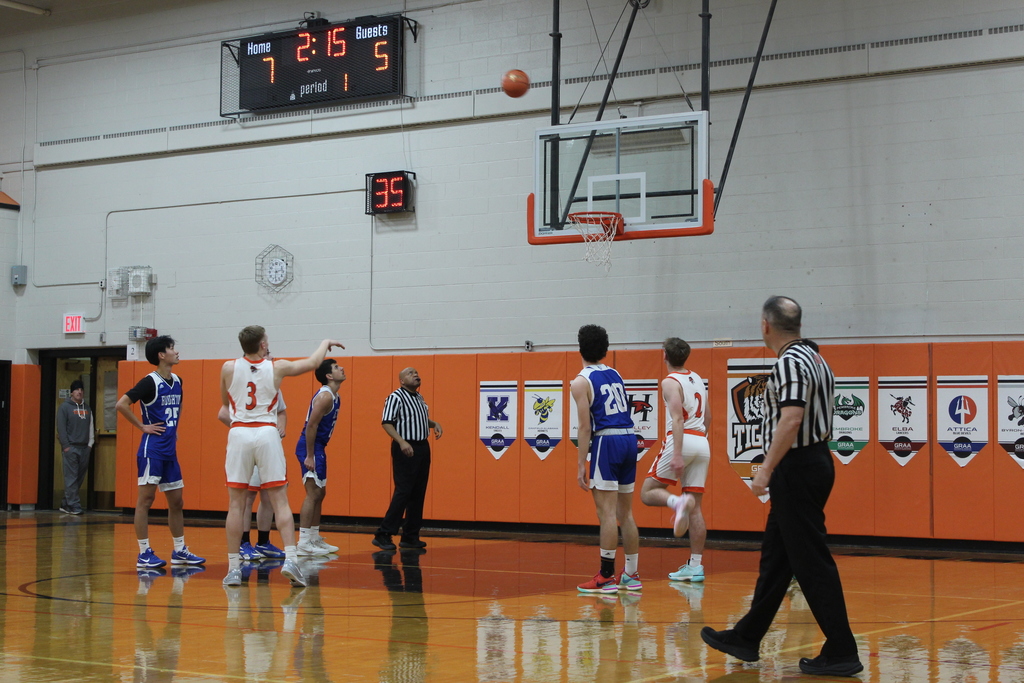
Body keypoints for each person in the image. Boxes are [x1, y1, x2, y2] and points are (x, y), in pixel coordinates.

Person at [701, 296, 862, 677]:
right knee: (777, 559)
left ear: (765, 326)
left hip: (798, 467)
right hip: (814, 461)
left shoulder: (790, 361)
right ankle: (746, 637)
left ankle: (842, 649)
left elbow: (791, 419)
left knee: (811, 563)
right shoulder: (816, 358)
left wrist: (765, 470)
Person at [220, 326, 343, 587]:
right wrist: (325, 341)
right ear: (263, 344)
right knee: (280, 500)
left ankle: (233, 569)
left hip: (239, 431)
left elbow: (226, 406)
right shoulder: (276, 367)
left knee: (236, 504)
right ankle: (291, 561)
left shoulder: (228, 368)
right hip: (266, 431)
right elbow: (313, 363)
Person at [116, 335, 205, 569]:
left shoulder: (177, 380)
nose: (176, 352)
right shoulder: (149, 382)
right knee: (145, 501)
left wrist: (174, 429)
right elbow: (121, 404)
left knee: (177, 502)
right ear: (161, 355)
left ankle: (179, 551)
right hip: (151, 450)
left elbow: (179, 405)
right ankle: (144, 553)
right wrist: (142, 426)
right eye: (172, 348)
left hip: (169, 451)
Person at [570, 324, 641, 593]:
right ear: (606, 349)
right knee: (627, 512)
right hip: (628, 438)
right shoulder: (615, 373)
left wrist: (580, 466)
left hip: (607, 441)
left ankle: (606, 576)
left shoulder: (580, 381)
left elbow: (585, 427)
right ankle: (631, 575)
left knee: (607, 513)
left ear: (580, 348)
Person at [639, 337, 708, 582]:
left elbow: (677, 418)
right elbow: (708, 416)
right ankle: (696, 566)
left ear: (664, 355)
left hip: (683, 438)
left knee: (647, 493)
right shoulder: (698, 379)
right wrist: (701, 442)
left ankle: (677, 503)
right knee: (697, 507)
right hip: (702, 440)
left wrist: (678, 452)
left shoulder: (669, 381)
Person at [373, 368, 442, 551]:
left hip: (422, 447)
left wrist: (433, 424)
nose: (416, 374)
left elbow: (420, 419)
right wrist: (401, 442)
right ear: (402, 380)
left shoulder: (419, 398)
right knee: (403, 491)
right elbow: (386, 422)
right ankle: (383, 534)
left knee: (418, 492)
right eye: (411, 373)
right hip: (405, 446)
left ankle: (410, 536)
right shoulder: (395, 397)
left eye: (417, 372)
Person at [295, 359, 346, 556]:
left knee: (320, 493)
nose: (341, 368)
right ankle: (304, 542)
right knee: (313, 493)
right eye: (335, 367)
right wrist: (309, 455)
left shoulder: (335, 396)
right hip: (311, 446)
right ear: (329, 376)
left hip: (318, 446)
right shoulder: (325, 397)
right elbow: (311, 426)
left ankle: (314, 538)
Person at [237, 392, 288, 562]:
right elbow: (223, 413)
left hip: (270, 446)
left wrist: (281, 426)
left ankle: (263, 542)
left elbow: (281, 411)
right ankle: (243, 543)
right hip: (249, 446)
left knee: (269, 495)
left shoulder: (274, 386)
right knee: (248, 496)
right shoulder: (242, 383)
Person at [56, 379, 94, 515]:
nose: (79, 392)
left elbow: (91, 426)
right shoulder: (64, 408)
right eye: (77, 390)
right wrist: (66, 446)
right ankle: (74, 506)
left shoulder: (87, 408)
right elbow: (61, 428)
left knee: (79, 478)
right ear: (71, 392)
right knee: (71, 477)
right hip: (71, 447)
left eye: (81, 390)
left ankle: (66, 503)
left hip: (85, 448)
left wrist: (90, 444)